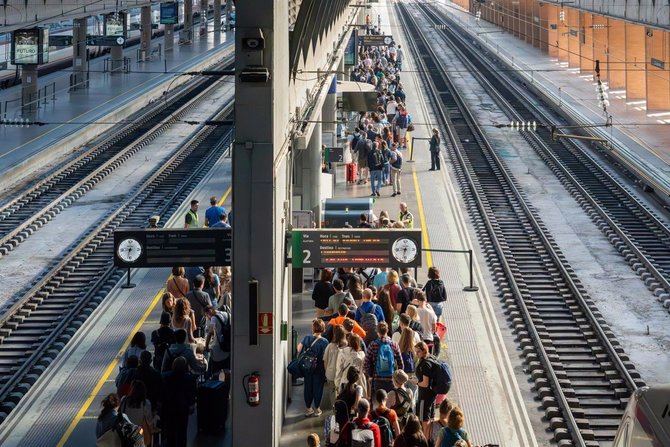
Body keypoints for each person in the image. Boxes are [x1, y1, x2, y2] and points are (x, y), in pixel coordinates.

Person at [161, 357, 197, 447]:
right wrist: (191, 405)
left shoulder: (165, 376)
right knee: (182, 432)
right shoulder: (189, 379)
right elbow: (192, 394)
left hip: (168, 408)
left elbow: (161, 392)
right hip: (182, 409)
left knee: (169, 431)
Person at [297, 319, 329, 417]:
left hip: (307, 368)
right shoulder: (325, 342)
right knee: (318, 388)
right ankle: (317, 409)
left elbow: (298, 349)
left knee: (308, 387)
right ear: (323, 329)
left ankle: (308, 409)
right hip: (319, 369)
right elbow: (325, 358)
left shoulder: (307, 338)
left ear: (313, 328)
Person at [364, 322, 404, 395]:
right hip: (391, 379)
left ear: (377, 331)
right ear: (387, 330)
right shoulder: (394, 344)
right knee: (390, 401)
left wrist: (370, 375)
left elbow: (366, 362)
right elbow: (400, 363)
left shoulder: (373, 344)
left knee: (379, 401)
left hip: (377, 378)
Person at [414, 342, 437, 438]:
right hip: (432, 395)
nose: (416, 354)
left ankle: (426, 441)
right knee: (430, 418)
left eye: (418, 352)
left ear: (424, 351)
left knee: (424, 420)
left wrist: (416, 382)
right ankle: (429, 438)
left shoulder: (425, 365)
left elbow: (425, 383)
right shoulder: (431, 358)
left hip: (425, 396)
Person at [120, 380, 153, 446]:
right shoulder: (145, 403)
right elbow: (149, 421)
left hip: (125, 434)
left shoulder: (124, 400)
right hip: (139, 434)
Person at [204, 305, 231, 379]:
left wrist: (206, 346)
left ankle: (213, 384)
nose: (208, 318)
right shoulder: (227, 314)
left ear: (209, 312)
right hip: (228, 346)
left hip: (218, 349)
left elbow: (210, 333)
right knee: (227, 369)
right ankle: (227, 383)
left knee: (214, 370)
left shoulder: (213, 318)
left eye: (207, 316)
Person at [324, 325, 348, 403]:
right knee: (342, 393)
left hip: (331, 374)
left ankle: (335, 412)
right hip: (343, 374)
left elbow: (325, 360)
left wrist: (326, 371)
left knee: (332, 393)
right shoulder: (347, 346)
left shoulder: (329, 346)